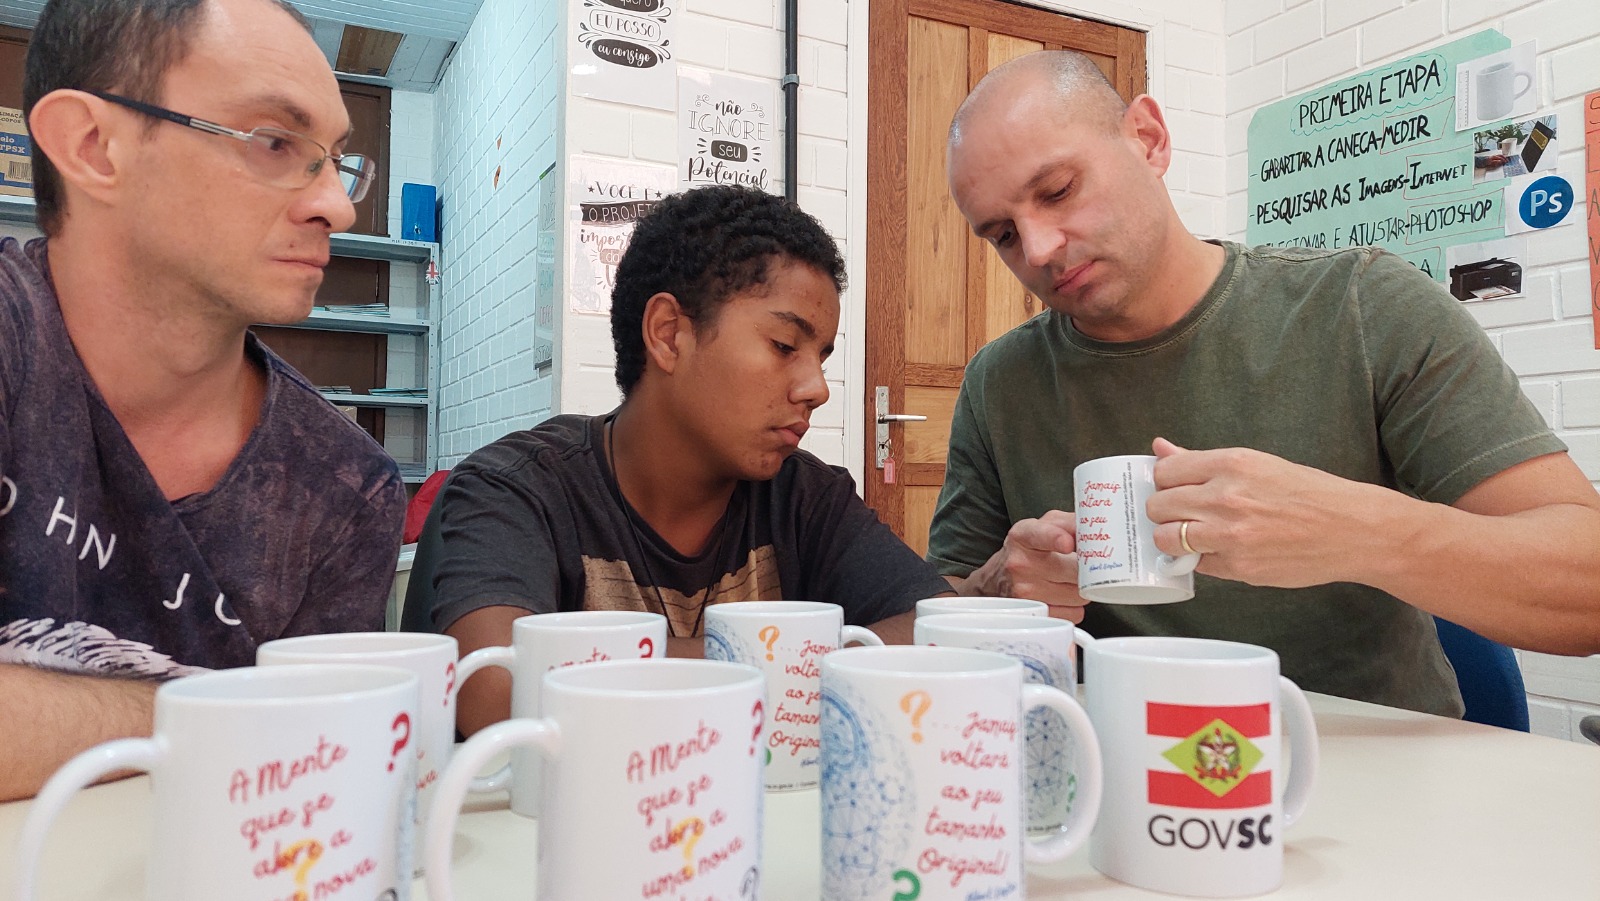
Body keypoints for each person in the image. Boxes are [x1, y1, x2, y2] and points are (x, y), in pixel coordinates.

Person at [931, 50, 1600, 716]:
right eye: (1003, 235)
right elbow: (934, 616)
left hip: (1378, 779)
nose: (1039, 248)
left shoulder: (1363, 306)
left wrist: (1353, 530)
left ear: (1149, 139)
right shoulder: (1001, 382)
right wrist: (997, 591)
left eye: (1057, 191)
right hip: (1130, 766)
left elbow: (1587, 588)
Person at [0, 0, 406, 800]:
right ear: (93, 147)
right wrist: (229, 716)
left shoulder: (344, 490)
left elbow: (310, 781)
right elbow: (283, 731)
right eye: (275, 142)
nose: (339, 207)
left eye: (335, 160)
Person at [409, 185, 951, 736]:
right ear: (669, 335)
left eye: (822, 357)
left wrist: (603, 669)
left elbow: (939, 635)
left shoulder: (806, 497)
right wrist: (796, 663)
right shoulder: (519, 488)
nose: (817, 388)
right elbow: (494, 690)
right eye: (786, 346)